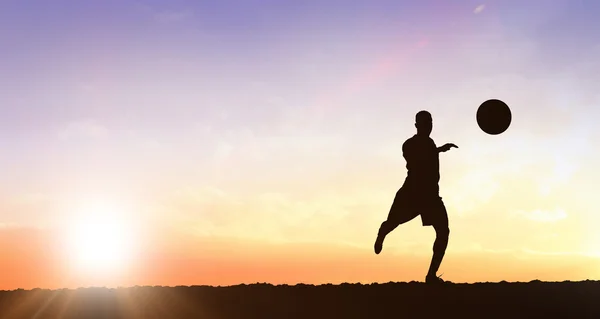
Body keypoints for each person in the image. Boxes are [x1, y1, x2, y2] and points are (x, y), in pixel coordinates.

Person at [374, 110, 458, 284]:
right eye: (425, 123)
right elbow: (418, 160)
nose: (429, 126)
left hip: (430, 197)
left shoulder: (429, 143)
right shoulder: (409, 144)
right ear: (417, 125)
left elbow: (427, 153)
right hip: (412, 193)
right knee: (392, 222)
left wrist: (439, 149)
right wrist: (436, 151)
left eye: (430, 123)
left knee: (443, 231)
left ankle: (431, 276)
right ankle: (383, 232)